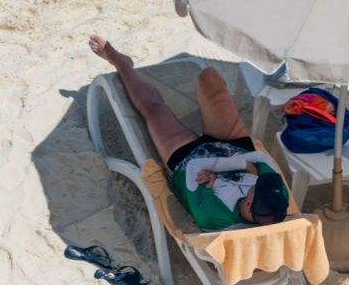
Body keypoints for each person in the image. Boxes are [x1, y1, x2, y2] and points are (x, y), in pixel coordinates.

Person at [88, 35, 290, 231]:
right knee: (208, 77)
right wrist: (228, 171)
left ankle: (122, 64)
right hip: (233, 148)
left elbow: (196, 166)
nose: (261, 182)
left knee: (153, 108)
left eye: (256, 187)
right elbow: (259, 157)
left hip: (186, 160)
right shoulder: (277, 199)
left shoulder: (214, 216)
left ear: (248, 204)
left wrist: (246, 167)